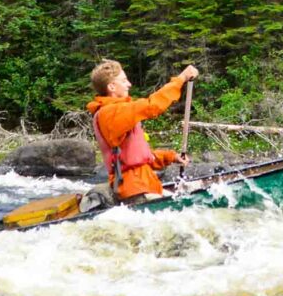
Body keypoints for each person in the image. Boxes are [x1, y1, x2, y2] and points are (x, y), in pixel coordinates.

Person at [85, 61, 199, 204]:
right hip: (136, 188)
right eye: (124, 80)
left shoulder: (118, 111)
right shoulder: (111, 113)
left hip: (143, 184)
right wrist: (181, 78)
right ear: (112, 87)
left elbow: (139, 157)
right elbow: (153, 105)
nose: (129, 84)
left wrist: (171, 157)